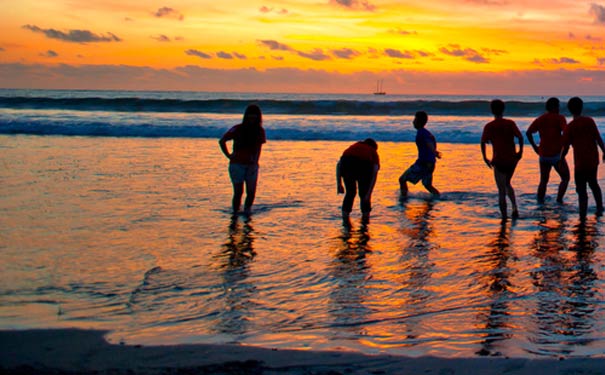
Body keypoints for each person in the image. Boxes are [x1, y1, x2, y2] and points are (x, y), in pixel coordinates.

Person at [561, 97, 605, 220]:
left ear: (570, 110)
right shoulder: (590, 121)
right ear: (582, 107)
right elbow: (598, 138)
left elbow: (565, 147)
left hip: (580, 162)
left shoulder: (570, 127)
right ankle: (600, 207)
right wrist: (604, 151)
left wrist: (560, 159)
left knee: (581, 189)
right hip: (592, 159)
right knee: (594, 184)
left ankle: (582, 215)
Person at [219, 104, 266, 215]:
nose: (252, 117)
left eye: (255, 115)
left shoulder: (260, 130)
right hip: (237, 164)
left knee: (251, 192)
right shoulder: (237, 128)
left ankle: (247, 212)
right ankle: (235, 214)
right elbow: (222, 141)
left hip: (252, 165)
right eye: (250, 114)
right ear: (246, 115)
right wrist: (229, 156)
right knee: (238, 192)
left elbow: (259, 148)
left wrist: (256, 162)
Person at [481, 99, 523, 220]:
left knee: (501, 190)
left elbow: (483, 142)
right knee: (507, 183)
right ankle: (514, 207)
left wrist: (485, 157)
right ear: (503, 109)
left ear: (492, 110)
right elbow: (520, 138)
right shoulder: (510, 123)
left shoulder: (489, 126)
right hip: (511, 159)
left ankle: (504, 218)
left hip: (499, 160)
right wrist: (520, 152)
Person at [526, 97, 570, 203]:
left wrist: (535, 147)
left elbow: (528, 132)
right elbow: (566, 133)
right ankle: (559, 200)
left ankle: (540, 201)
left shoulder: (541, 119)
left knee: (543, 181)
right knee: (565, 178)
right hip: (556, 154)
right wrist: (565, 149)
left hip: (543, 154)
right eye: (558, 106)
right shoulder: (560, 118)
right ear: (555, 107)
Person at [399, 111, 441, 198]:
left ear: (419, 121)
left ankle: (403, 198)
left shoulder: (422, 133)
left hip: (423, 163)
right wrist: (434, 153)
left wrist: (435, 152)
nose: (413, 121)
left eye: (415, 119)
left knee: (402, 179)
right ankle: (438, 197)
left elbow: (428, 143)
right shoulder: (426, 132)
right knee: (427, 185)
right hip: (430, 163)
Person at [336, 138, 380, 221]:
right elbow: (374, 174)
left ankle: (345, 217)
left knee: (350, 193)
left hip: (346, 164)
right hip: (363, 165)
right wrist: (368, 194)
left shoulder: (353, 147)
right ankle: (365, 217)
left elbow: (339, 165)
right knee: (363, 195)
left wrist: (339, 184)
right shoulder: (373, 152)